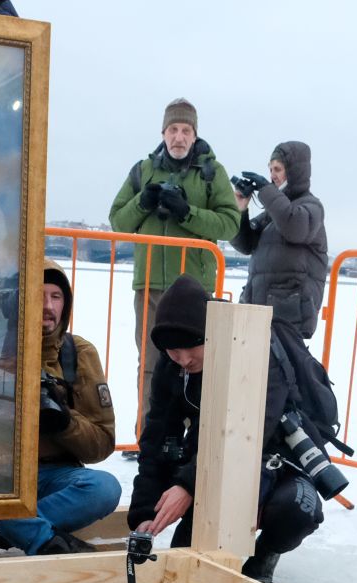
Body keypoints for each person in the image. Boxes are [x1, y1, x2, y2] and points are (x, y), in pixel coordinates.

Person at [127, 275, 326, 583]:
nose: (183, 359)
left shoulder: (259, 353)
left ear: (210, 335)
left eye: (191, 347)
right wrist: (142, 512)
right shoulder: (173, 367)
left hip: (276, 457)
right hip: (210, 462)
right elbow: (156, 438)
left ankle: (263, 558)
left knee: (297, 511)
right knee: (189, 566)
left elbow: (253, 432)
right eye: (172, 350)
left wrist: (188, 486)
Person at [107, 98, 239, 407]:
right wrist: (144, 201)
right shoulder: (142, 171)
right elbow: (117, 222)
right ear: (163, 132)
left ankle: (192, 437)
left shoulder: (211, 173)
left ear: (194, 135)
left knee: (196, 364)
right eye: (173, 129)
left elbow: (230, 224)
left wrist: (186, 212)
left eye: (185, 130)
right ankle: (147, 439)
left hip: (194, 290)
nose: (178, 137)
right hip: (150, 286)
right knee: (151, 364)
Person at [0, 264, 121, 555]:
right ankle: (42, 538)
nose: (48, 306)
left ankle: (12, 530)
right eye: (38, 296)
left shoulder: (79, 354)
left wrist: (64, 421)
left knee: (105, 488)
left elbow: (101, 443)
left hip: (54, 476)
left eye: (56, 296)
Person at [230, 142, 327, 342]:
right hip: (260, 310)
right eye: (270, 169)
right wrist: (241, 209)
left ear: (295, 171)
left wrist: (266, 191)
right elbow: (245, 244)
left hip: (290, 315)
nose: (272, 175)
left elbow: (294, 226)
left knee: (281, 371)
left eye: (278, 169)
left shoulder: (311, 207)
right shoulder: (273, 212)